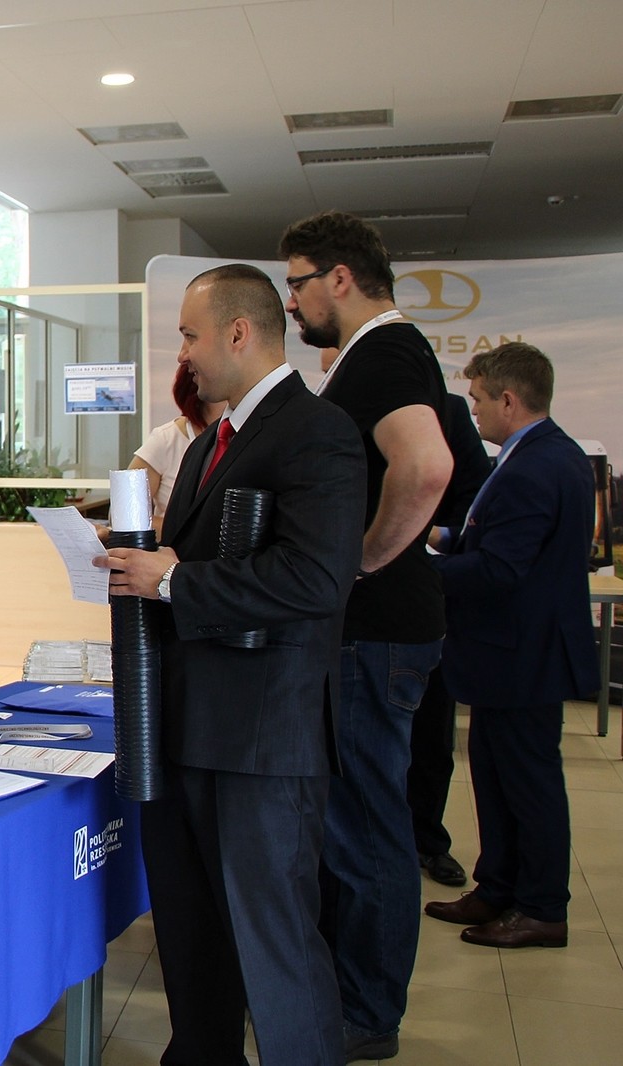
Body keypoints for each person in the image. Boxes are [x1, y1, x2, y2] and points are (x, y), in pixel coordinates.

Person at [99, 264, 366, 1066]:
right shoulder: (214, 443)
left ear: (239, 333)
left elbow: (315, 579)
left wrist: (173, 579)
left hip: (259, 744)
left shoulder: (317, 432)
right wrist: (140, 563)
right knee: (193, 943)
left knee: (274, 949)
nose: (183, 354)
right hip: (188, 732)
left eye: (189, 335)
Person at [279, 210, 452, 1063]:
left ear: (339, 278)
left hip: (375, 633)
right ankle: (351, 996)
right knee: (353, 820)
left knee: (366, 827)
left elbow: (426, 467)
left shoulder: (383, 353)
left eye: (297, 283)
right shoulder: (379, 354)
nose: (292, 303)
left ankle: (367, 1013)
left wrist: (362, 562)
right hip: (377, 633)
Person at [423, 343, 597, 948]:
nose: (471, 411)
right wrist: (442, 537)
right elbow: (496, 541)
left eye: (476, 399)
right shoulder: (542, 454)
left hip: (523, 654)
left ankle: (541, 907)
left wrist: (418, 572)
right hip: (512, 653)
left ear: (508, 399)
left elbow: (501, 569)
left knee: (527, 784)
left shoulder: (533, 466)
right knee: (497, 779)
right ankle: (498, 887)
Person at [410, 392, 492, 887]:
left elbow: (474, 498)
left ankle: (427, 839)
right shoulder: (340, 404)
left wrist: (433, 534)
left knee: (431, 729)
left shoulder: (447, 410)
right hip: (358, 599)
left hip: (430, 592)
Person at [129, 363, 226, 533]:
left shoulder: (245, 434)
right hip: (171, 547)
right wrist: (187, 532)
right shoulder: (166, 439)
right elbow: (125, 515)